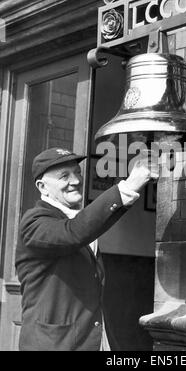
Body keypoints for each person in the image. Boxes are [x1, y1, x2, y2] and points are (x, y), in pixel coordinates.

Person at [15, 147, 157, 351]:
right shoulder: (33, 222)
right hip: (53, 344)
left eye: (78, 173)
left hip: (92, 339)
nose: (76, 180)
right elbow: (73, 233)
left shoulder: (75, 219)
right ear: (42, 187)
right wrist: (129, 185)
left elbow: (83, 227)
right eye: (65, 176)